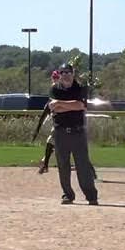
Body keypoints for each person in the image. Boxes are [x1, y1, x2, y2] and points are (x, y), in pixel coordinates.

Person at [48, 63, 98, 205]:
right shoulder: (54, 89)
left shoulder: (80, 88)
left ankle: (91, 196)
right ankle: (68, 194)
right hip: (61, 131)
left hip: (78, 132)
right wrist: (69, 106)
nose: (66, 75)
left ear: (73, 73)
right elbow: (54, 109)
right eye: (62, 72)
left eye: (68, 72)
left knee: (83, 166)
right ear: (59, 74)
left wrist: (60, 104)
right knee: (63, 165)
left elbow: (80, 106)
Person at [36, 70, 60, 175]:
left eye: (56, 78)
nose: (55, 80)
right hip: (59, 123)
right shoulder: (54, 92)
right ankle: (45, 162)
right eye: (54, 78)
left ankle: (45, 163)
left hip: (67, 122)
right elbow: (46, 111)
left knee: (53, 142)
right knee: (52, 142)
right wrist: (37, 128)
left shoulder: (63, 91)